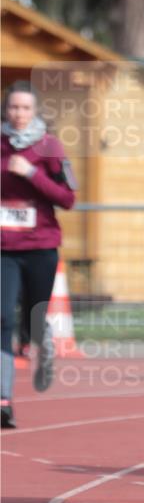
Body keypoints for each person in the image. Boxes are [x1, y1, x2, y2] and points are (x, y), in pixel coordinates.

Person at [1, 81, 77, 428]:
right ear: (6, 110)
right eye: (13, 107)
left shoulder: (50, 147)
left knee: (33, 316)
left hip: (41, 246)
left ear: (35, 112)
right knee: (2, 319)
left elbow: (67, 198)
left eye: (25, 108)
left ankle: (40, 338)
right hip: (5, 249)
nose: (18, 114)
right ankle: (4, 399)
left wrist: (30, 172)